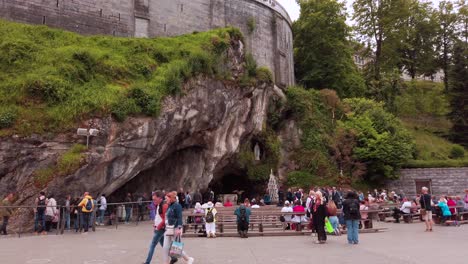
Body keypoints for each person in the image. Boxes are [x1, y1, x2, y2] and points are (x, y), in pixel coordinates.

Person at [162, 191, 194, 264]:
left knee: (176, 249)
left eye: (166, 199)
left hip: (175, 228)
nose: (165, 200)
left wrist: (179, 228)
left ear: (171, 198)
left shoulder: (177, 206)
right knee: (165, 247)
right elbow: (167, 217)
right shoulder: (169, 206)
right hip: (168, 228)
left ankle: (188, 259)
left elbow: (179, 217)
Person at [143, 191, 168, 264]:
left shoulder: (164, 205)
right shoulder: (159, 205)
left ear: (160, 198)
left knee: (152, 245)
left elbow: (164, 219)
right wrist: (155, 225)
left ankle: (147, 262)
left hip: (160, 228)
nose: (153, 201)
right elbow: (158, 217)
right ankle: (174, 257)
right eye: (153, 199)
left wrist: (158, 226)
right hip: (158, 227)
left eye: (155, 199)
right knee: (164, 244)